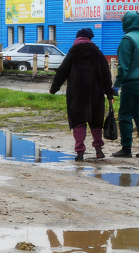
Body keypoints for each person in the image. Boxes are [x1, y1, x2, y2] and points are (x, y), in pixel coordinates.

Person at [49, 27, 113, 161]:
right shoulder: (97, 52)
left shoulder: (73, 51)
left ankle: (80, 152)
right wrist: (109, 93)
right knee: (96, 121)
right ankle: (98, 150)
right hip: (96, 92)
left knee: (78, 121)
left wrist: (54, 89)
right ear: (90, 38)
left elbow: (62, 71)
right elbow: (105, 74)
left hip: (77, 93)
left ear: (78, 37)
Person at [113, 11, 139, 157]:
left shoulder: (127, 39)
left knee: (125, 115)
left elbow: (123, 66)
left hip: (132, 84)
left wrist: (117, 84)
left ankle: (126, 148)